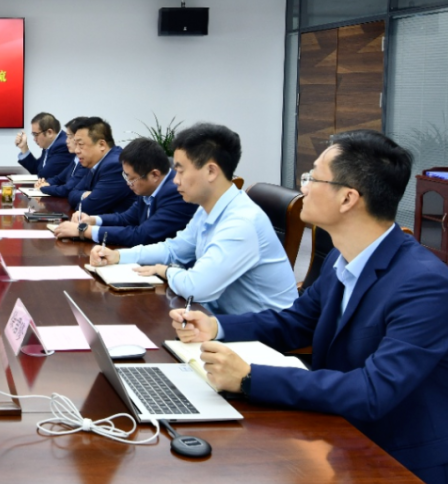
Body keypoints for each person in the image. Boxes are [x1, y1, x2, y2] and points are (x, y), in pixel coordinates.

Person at [171, 130, 448, 484]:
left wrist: (250, 378)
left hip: (397, 459)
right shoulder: (340, 258)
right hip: (338, 433)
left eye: (312, 178)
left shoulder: (424, 283)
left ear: (347, 198)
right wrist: (216, 327)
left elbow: (373, 390)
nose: (302, 189)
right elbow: (295, 323)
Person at [90, 123, 296, 315]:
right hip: (217, 317)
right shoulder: (208, 209)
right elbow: (174, 250)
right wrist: (118, 256)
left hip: (260, 331)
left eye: (180, 171)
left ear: (211, 171)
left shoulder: (241, 223)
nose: (175, 180)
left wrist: (165, 271)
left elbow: (195, 288)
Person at [53, 137, 196, 246]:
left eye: (131, 178)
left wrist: (84, 231)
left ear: (154, 175)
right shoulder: (147, 187)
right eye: (126, 176)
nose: (128, 183)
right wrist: (93, 220)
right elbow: (126, 218)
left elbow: (141, 235)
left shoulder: (176, 192)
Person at [65, 117, 133, 215]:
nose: (76, 150)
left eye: (80, 144)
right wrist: (85, 195)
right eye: (76, 145)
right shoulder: (95, 162)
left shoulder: (115, 166)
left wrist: (85, 197)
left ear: (101, 145)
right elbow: (72, 194)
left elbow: (86, 208)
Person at [15, 112, 75, 182]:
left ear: (49, 132)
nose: (34, 139)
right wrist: (24, 148)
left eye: (36, 134)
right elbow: (37, 169)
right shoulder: (50, 144)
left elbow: (44, 175)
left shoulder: (63, 146)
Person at [38, 116, 89, 197]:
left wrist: (44, 188)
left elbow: (67, 189)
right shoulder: (76, 159)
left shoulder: (86, 162)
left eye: (70, 137)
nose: (66, 141)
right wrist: (46, 183)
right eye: (67, 137)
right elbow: (59, 178)